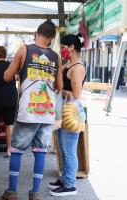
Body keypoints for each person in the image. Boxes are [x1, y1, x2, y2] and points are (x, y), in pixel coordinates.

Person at [0, 20, 63, 200]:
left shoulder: (24, 50)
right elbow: (60, 85)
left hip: (28, 110)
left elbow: (6, 76)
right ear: (50, 39)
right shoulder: (56, 57)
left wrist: (21, 72)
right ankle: (35, 193)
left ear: (36, 33)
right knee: (40, 151)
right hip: (46, 111)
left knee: (17, 149)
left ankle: (11, 192)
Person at [49, 33, 86, 197]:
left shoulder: (77, 68)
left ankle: (70, 185)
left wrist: (57, 90)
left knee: (69, 150)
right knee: (62, 149)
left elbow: (76, 94)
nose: (62, 50)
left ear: (72, 48)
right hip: (61, 110)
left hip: (71, 111)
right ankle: (65, 179)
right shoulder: (66, 66)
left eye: (64, 48)